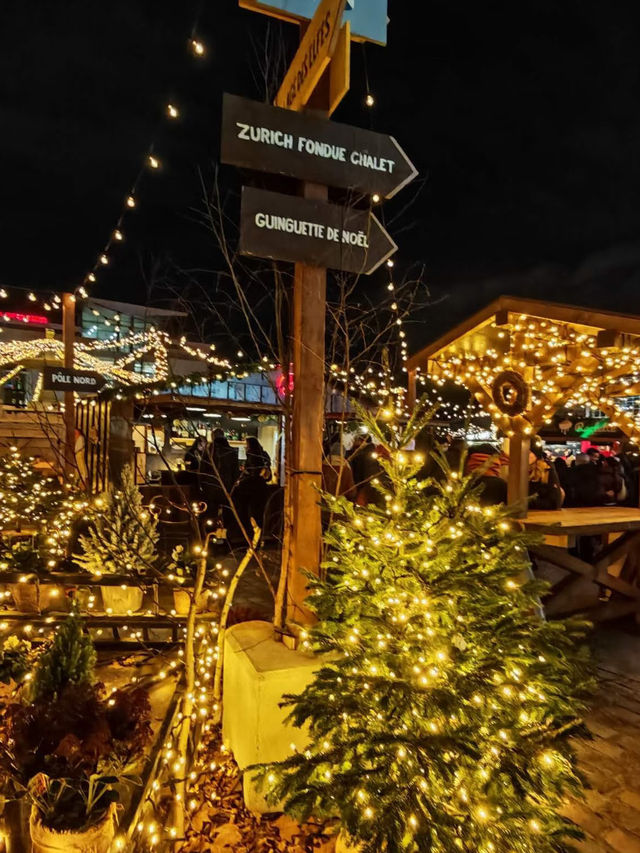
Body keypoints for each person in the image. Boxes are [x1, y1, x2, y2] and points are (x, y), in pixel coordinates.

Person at [231, 437, 271, 537]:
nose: (245, 447)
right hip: (262, 487)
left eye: (247, 445)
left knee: (249, 512)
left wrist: (243, 477)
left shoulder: (252, 455)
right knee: (259, 513)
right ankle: (260, 534)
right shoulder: (263, 455)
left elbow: (254, 473)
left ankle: (250, 534)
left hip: (252, 489)